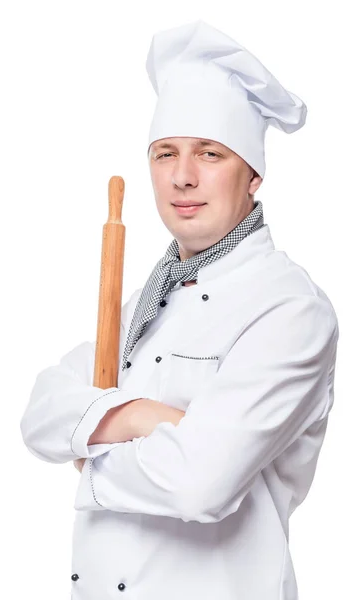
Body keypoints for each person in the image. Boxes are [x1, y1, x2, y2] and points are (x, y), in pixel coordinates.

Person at [20, 19, 339, 600]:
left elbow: (201, 483)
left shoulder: (292, 311)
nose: (183, 177)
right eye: (166, 153)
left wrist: (91, 432)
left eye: (210, 153)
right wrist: (150, 418)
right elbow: (41, 414)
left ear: (253, 174)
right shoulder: (149, 299)